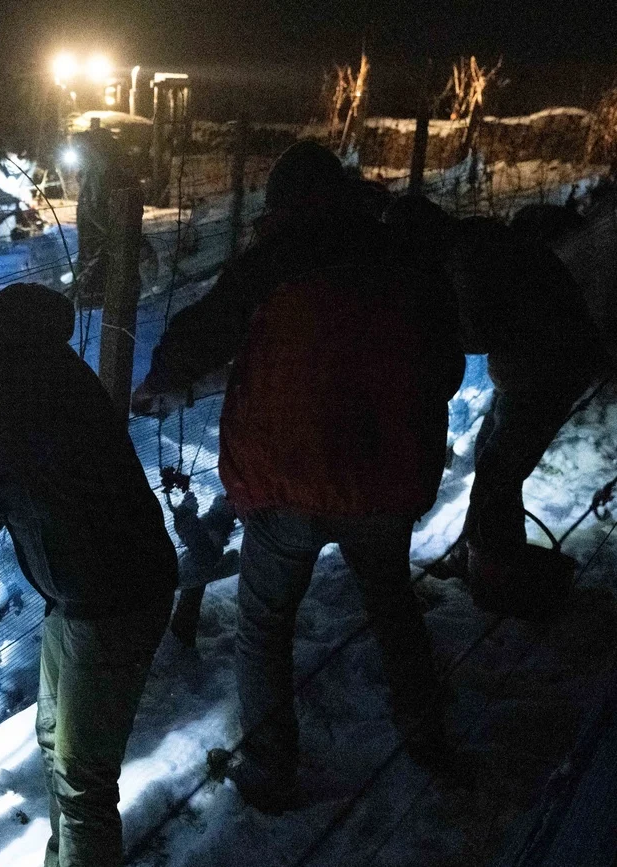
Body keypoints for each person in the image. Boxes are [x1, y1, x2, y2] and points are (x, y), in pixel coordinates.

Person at [136, 142, 465, 813]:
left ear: (282, 204)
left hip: (288, 476)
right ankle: (427, 733)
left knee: (264, 625)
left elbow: (204, 332)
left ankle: (270, 767)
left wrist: (165, 374)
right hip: (380, 476)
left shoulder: (280, 257)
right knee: (393, 604)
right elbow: (447, 365)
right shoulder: (401, 259)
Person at [0, 241, 177, 866]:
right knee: (53, 740)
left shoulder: (13, 386)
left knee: (81, 776)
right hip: (74, 593)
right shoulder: (6, 365)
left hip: (110, 593)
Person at [388, 198, 607, 616]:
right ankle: (479, 555)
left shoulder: (466, 259)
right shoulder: (478, 242)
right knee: (493, 457)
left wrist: (435, 321)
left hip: (546, 369)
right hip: (544, 365)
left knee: (499, 471)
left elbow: (477, 333)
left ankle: (496, 576)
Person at [72, 116, 132, 307]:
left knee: (100, 260)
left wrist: (107, 229)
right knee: (91, 256)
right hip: (92, 226)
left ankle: (95, 295)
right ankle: (90, 294)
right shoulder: (93, 169)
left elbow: (98, 203)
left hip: (101, 227)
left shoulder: (107, 171)